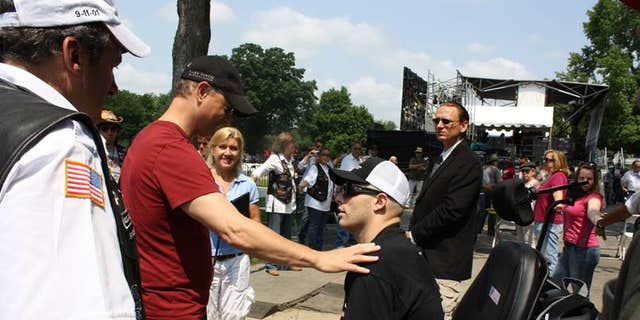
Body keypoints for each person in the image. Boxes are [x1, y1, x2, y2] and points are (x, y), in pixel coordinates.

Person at [120, 55, 380, 319]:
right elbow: (236, 229)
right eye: (228, 107)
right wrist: (319, 258)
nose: (229, 118)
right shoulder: (171, 150)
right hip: (172, 310)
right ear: (202, 91)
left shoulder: (149, 139)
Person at [0, 0, 150, 318]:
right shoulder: (60, 142)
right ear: (75, 55)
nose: (114, 88)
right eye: (113, 65)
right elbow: (84, 306)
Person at [330, 157, 444, 320]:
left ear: (380, 202)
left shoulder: (374, 265)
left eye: (349, 189)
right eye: (338, 189)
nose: (338, 198)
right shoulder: (396, 250)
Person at [408, 101, 482, 318]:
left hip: (445, 261)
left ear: (463, 126)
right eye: (436, 121)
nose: (439, 125)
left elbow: (452, 210)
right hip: (426, 256)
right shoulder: (439, 158)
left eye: (446, 121)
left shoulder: (468, 162)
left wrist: (414, 235)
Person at [204, 127, 260, 320]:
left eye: (233, 148)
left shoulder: (248, 185)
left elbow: (256, 224)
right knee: (206, 314)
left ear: (240, 152)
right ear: (212, 149)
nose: (227, 153)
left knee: (234, 316)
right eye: (222, 147)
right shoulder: (201, 180)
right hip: (206, 259)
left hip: (237, 259)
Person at [251, 132, 300, 276]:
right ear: (285, 145)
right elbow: (257, 173)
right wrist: (248, 189)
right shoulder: (274, 159)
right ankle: (271, 264)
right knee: (274, 235)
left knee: (286, 236)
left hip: (289, 203)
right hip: (277, 203)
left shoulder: (289, 160)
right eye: (292, 144)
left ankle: (285, 264)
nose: (294, 147)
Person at [553, 163, 604, 291]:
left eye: (589, 179)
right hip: (569, 248)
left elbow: (593, 211)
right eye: (581, 178)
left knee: (579, 294)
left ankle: (583, 312)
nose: (585, 181)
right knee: (555, 285)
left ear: (595, 180)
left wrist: (597, 220)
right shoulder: (575, 196)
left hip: (584, 251)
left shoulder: (594, 197)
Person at [533, 149, 570, 275]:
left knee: (549, 257)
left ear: (559, 162)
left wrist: (558, 203)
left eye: (551, 160)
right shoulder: (552, 176)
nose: (547, 162)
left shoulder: (558, 176)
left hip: (549, 222)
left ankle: (550, 286)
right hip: (544, 221)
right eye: (545, 159)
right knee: (545, 256)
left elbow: (558, 194)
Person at [298, 147, 334, 250]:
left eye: (328, 155)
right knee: (314, 227)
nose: (326, 157)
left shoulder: (328, 169)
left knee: (321, 228)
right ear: (319, 156)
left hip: (325, 204)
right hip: (315, 203)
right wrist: (299, 189)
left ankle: (318, 248)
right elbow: (307, 180)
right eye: (324, 155)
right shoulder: (315, 167)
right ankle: (313, 248)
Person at [336, 141, 366, 248]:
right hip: (347, 192)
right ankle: (341, 246)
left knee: (355, 218)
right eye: (355, 148)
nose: (357, 150)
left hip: (357, 193)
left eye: (359, 149)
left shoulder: (362, 160)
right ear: (351, 149)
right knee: (345, 217)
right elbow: (345, 177)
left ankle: (352, 244)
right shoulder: (347, 160)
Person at [516, 162, 540, 246]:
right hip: (521, 214)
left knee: (529, 241)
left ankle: (530, 258)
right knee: (520, 240)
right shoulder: (522, 182)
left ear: (533, 172)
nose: (524, 173)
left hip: (529, 214)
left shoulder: (534, 182)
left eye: (527, 171)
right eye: (522, 171)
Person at [98, 109, 124, 182]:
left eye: (113, 129)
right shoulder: (93, 150)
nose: (109, 132)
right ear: (98, 130)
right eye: (105, 129)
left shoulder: (124, 153)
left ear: (117, 132)